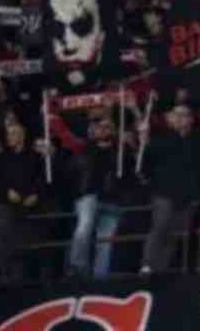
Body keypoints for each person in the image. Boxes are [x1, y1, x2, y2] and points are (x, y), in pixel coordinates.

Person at [49, 111, 130, 279]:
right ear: (94, 131)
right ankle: (77, 266)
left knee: (106, 241)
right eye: (100, 127)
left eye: (108, 127)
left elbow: (133, 171)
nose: (104, 130)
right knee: (84, 227)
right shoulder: (85, 148)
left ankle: (100, 277)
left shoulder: (122, 151)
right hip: (89, 196)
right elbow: (67, 138)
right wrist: (53, 121)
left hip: (113, 200)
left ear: (114, 130)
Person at [139, 104, 200, 274]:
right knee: (161, 225)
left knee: (174, 234)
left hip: (188, 194)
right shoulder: (160, 138)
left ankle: (160, 270)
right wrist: (144, 142)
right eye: (176, 114)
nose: (179, 118)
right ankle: (147, 265)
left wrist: (199, 189)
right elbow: (146, 164)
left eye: (183, 114)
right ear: (170, 118)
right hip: (163, 191)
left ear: (191, 119)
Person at [0, 122, 46, 286]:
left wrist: (35, 194)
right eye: (9, 134)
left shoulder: (35, 157)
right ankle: (7, 277)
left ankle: (25, 278)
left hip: (28, 203)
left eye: (14, 133)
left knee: (28, 238)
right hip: (5, 203)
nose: (11, 137)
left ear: (23, 135)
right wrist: (7, 192)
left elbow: (42, 180)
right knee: (6, 232)